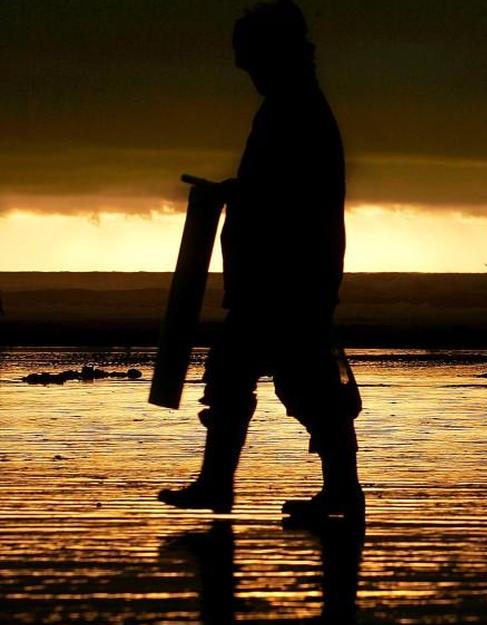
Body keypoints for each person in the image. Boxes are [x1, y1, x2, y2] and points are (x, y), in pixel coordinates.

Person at [158, 0, 362, 520]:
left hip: (287, 279)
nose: (240, 65)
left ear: (273, 52)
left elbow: (292, 195)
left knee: (303, 383)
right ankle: (219, 484)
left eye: (246, 53)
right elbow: (279, 187)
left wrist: (241, 195)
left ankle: (339, 491)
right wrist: (238, 191)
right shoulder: (290, 105)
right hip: (275, 278)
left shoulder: (296, 108)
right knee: (239, 375)